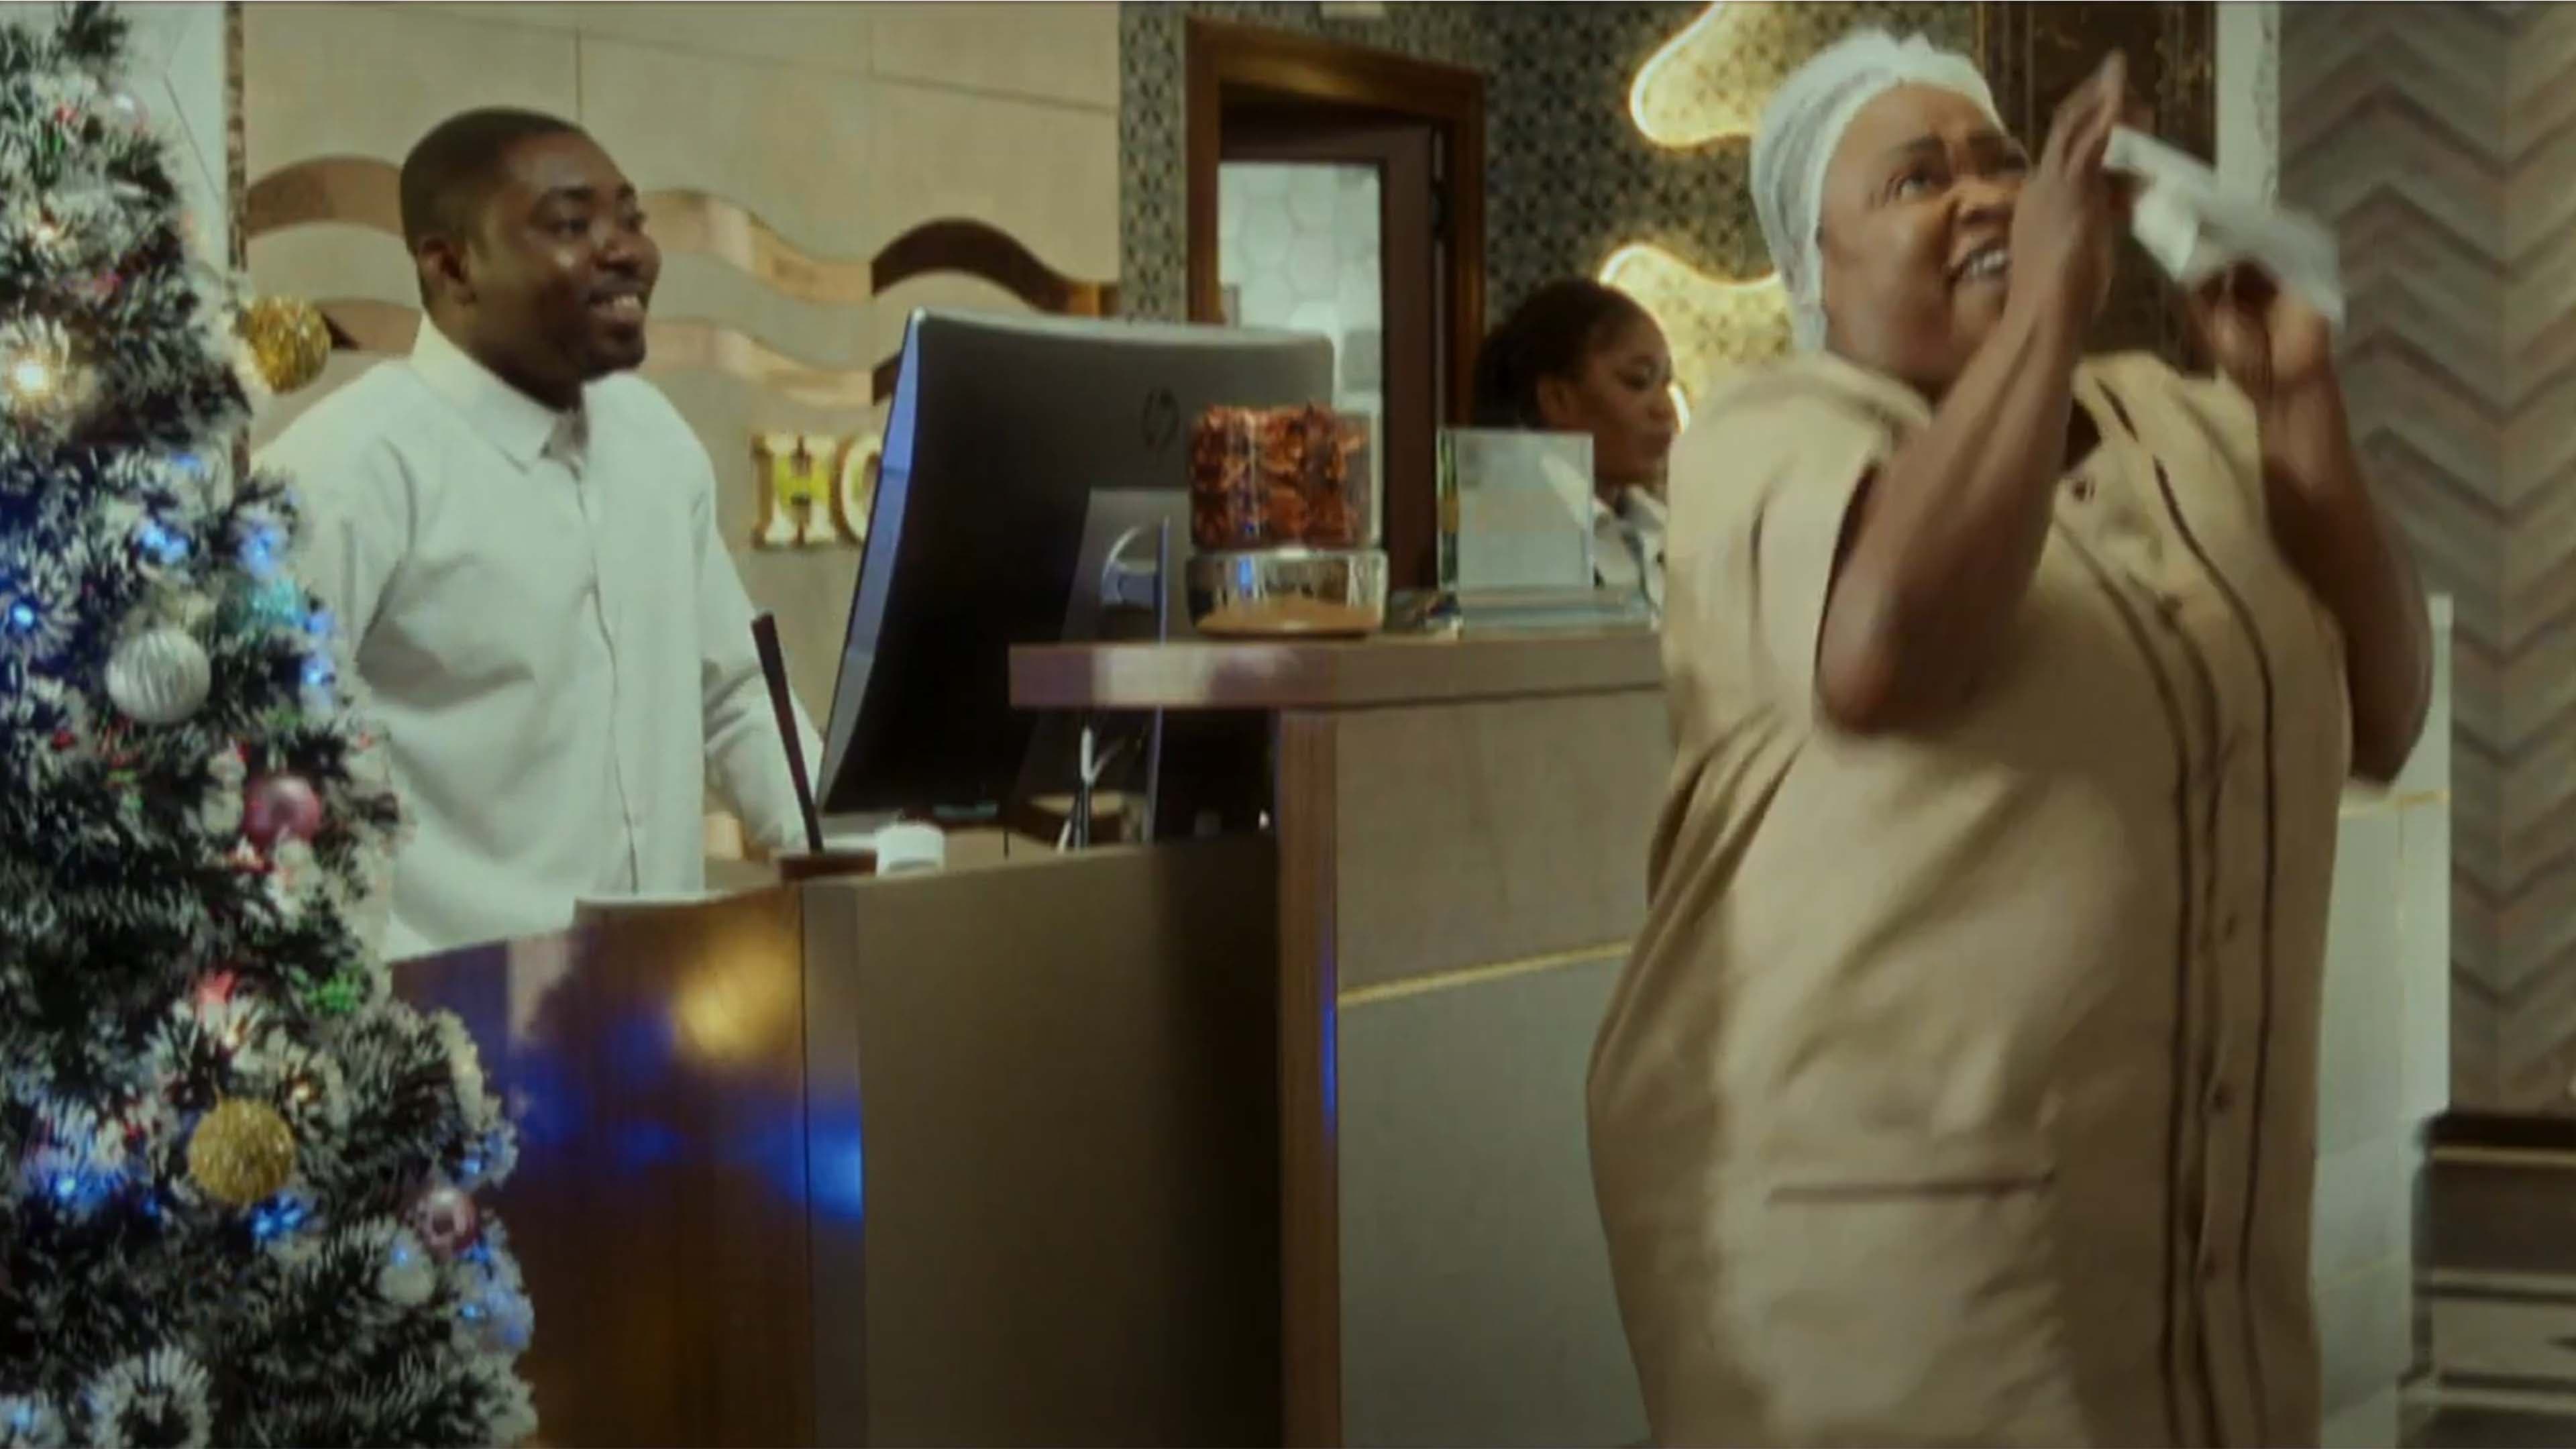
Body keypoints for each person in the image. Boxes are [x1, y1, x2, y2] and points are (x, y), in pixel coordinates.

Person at [1585, 30, 2432, 1448]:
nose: (1984, 195)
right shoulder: (1768, 435)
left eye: (2003, 163)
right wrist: (2047, 302)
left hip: (2192, 1293)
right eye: (1916, 180)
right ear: (1814, 270)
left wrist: (2298, 401)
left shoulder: (2182, 426)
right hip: (1887, 1296)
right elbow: (1885, 652)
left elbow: (2387, 715)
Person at [260, 109, 822, 959]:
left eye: (631, 220)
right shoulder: (345, 471)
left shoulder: (656, 441)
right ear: (451, 265)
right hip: (440, 1013)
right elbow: (263, 776)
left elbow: (737, 697)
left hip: (667, 993)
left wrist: (850, 865)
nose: (628, 251)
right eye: (570, 225)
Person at [1470, 278, 1679, 610]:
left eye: (1666, 385)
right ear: (1558, 399)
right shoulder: (1501, 532)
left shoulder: (1663, 527)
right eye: (1638, 381)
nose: (1665, 409)